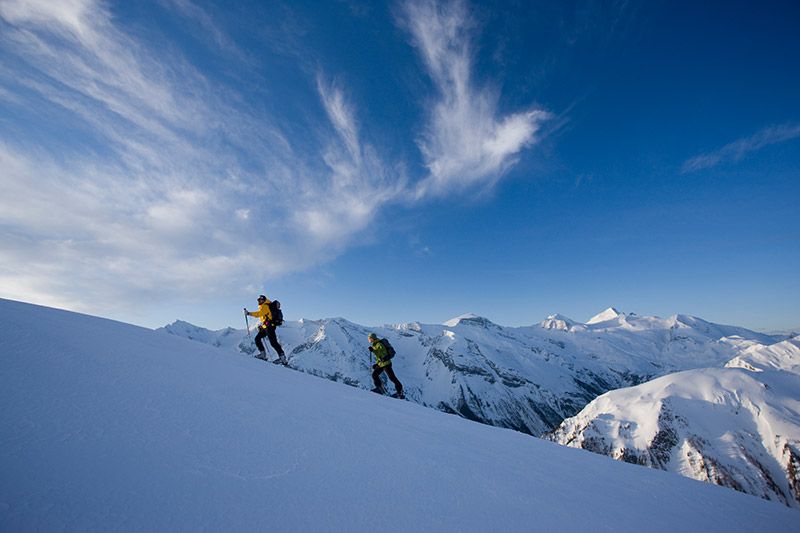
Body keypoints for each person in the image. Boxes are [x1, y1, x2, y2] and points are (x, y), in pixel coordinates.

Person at [245, 295, 287, 365]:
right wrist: (262, 326)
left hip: (269, 327)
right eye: (258, 300)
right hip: (267, 327)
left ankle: (282, 358)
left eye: (261, 300)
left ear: (264, 300)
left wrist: (249, 313)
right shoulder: (266, 306)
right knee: (258, 339)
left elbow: (259, 314)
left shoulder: (265, 306)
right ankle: (264, 355)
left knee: (273, 342)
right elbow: (265, 317)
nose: (259, 301)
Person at [368, 333, 404, 398]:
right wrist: (377, 364)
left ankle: (400, 392)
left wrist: (374, 350)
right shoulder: (375, 344)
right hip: (382, 364)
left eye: (369, 338)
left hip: (386, 364)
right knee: (374, 374)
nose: (368, 340)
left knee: (392, 378)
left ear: (372, 338)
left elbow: (382, 353)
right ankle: (379, 388)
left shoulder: (378, 344)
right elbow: (379, 356)